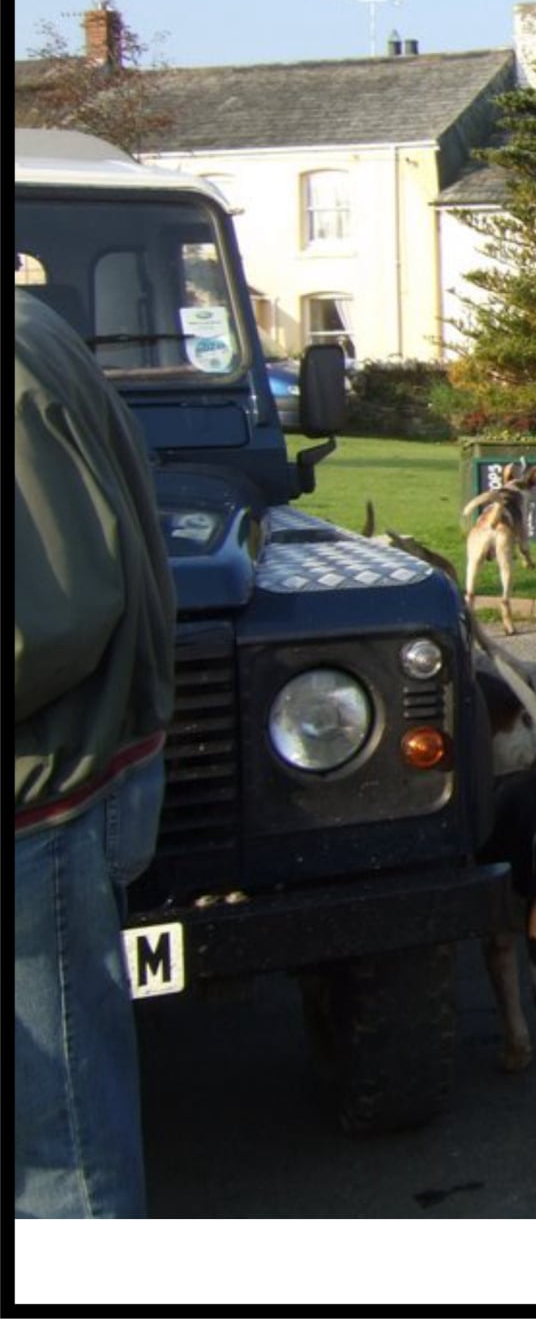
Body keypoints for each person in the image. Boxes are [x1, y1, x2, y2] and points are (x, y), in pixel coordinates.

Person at [14, 289, 177, 1218]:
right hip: (57, 786)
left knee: (59, 1160)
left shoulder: (18, 360)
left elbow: (55, 615)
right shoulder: (38, 338)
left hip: (45, 802)